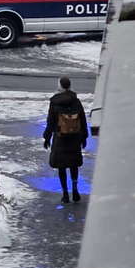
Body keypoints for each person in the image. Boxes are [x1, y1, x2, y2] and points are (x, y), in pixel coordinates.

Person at [44, 75, 89, 203]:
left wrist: (47, 138)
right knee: (73, 164)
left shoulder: (55, 102)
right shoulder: (76, 101)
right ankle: (75, 187)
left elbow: (50, 121)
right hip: (75, 137)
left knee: (62, 166)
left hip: (60, 137)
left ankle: (65, 192)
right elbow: (82, 119)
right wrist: (84, 136)